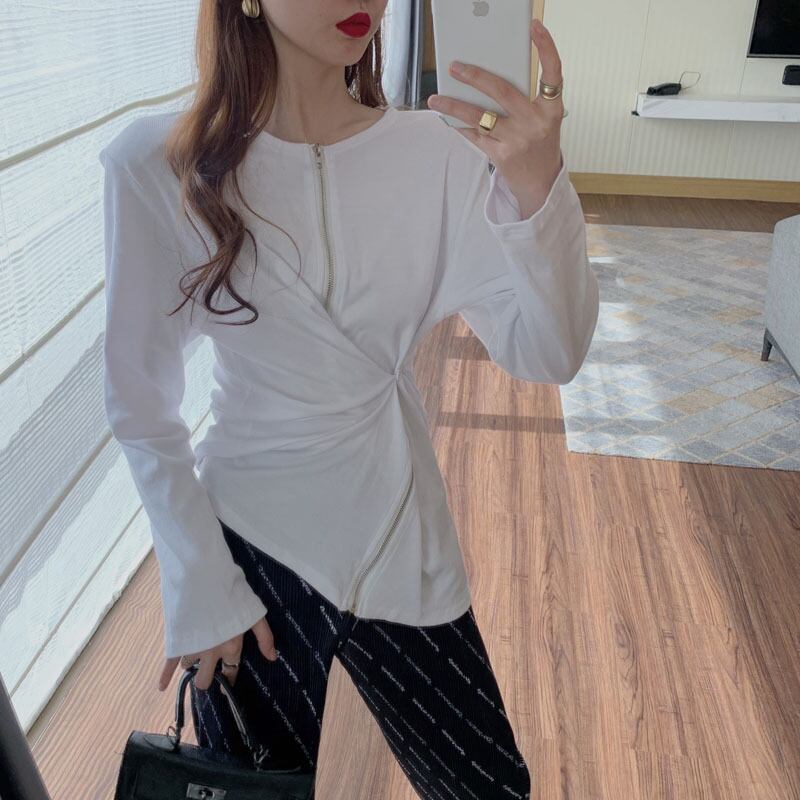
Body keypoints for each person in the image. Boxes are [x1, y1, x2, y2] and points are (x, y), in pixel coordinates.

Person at [98, 0, 598, 797]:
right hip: (251, 550)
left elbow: (551, 352)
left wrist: (540, 189)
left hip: (400, 531)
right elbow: (139, 398)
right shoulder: (157, 165)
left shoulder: (442, 153)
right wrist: (197, 579)